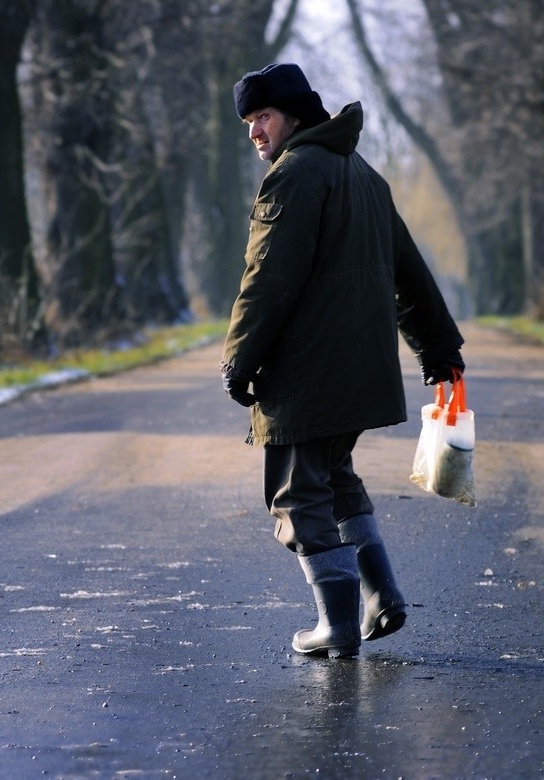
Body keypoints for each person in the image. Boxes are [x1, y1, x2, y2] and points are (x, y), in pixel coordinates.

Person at [221, 63, 465, 659]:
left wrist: (239, 358)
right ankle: (379, 595)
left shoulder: (295, 175)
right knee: (334, 478)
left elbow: (267, 278)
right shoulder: (363, 174)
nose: (255, 131)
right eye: (249, 121)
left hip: (309, 371)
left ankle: (337, 624)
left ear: (296, 114)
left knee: (298, 493)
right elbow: (410, 270)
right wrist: (440, 349)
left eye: (264, 117)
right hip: (356, 368)